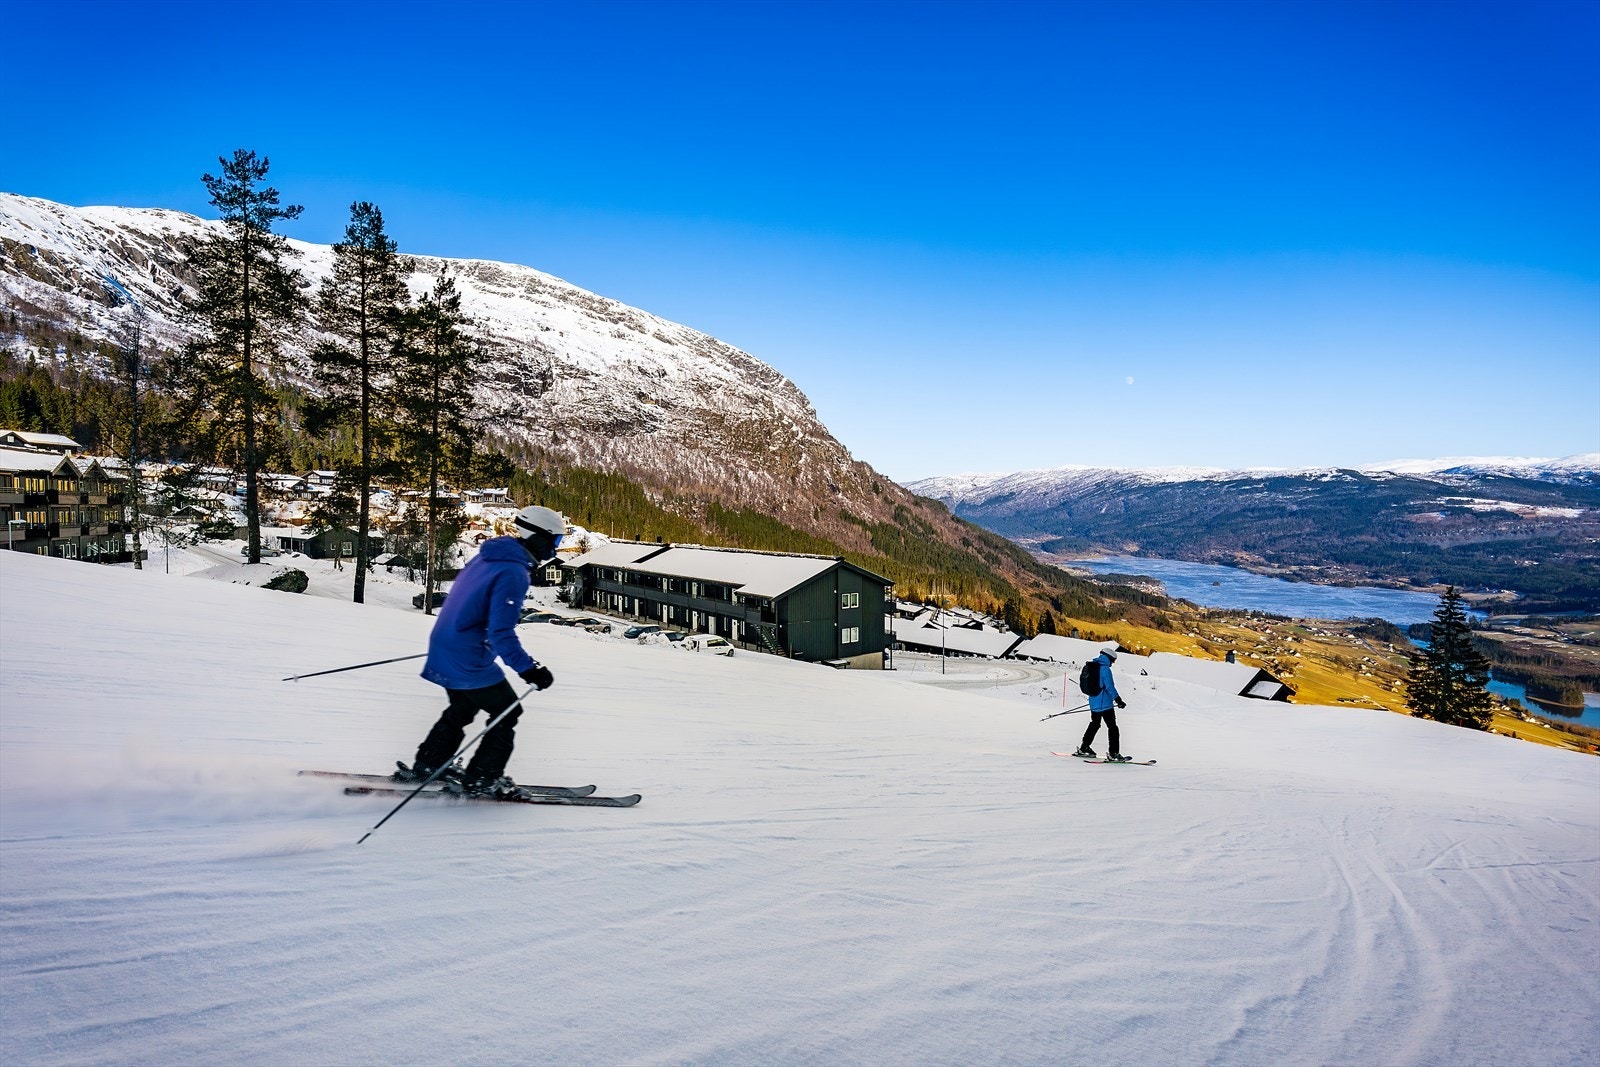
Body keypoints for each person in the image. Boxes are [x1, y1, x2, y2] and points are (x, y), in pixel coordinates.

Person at [394, 505, 565, 795]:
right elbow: (501, 632)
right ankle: (483, 779)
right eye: (555, 540)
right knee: (507, 711)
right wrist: (529, 669)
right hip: (467, 656)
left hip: (446, 643)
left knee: (462, 707)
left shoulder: (489, 556)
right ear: (538, 537)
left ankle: (428, 765)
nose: (556, 548)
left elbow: (464, 600)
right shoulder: (514, 572)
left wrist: (455, 638)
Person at [1073, 647, 1129, 762]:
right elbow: (1109, 687)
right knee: (1113, 727)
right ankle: (1114, 753)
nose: (1113, 663)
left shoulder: (1092, 667)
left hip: (1094, 703)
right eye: (1113, 660)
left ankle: (1084, 748)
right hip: (1105, 705)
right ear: (1109, 658)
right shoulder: (1104, 670)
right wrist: (1118, 700)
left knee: (1094, 724)